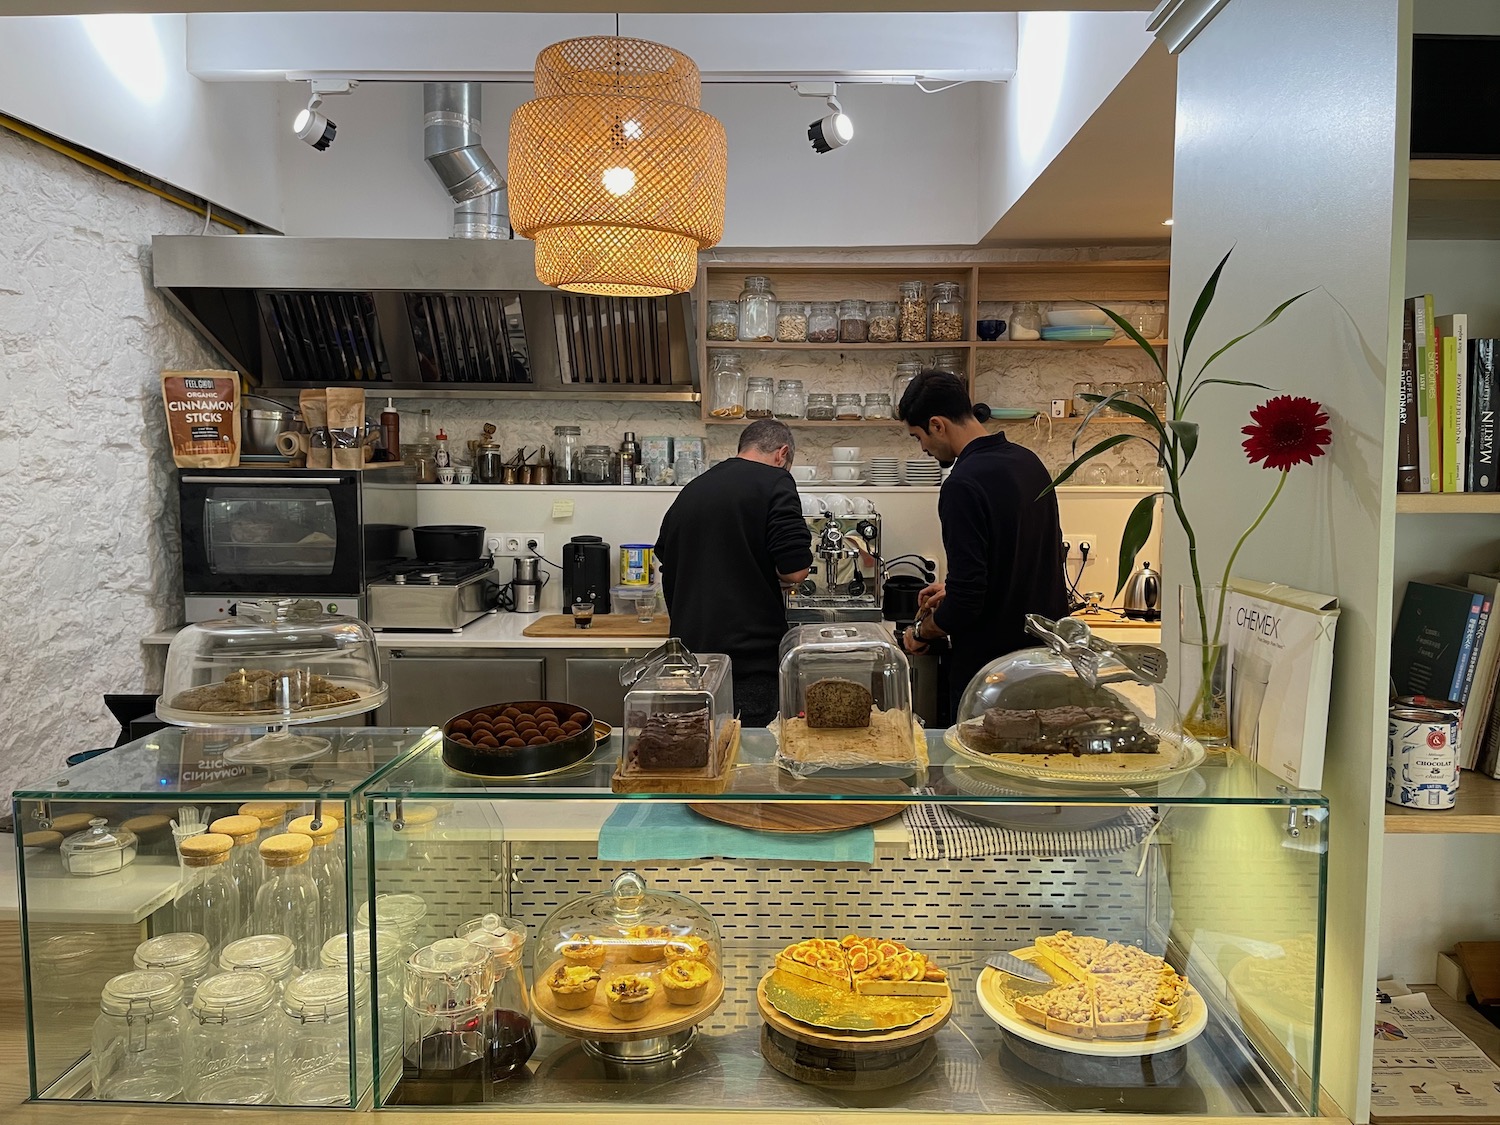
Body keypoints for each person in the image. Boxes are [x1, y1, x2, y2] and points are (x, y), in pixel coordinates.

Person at [895, 371, 1068, 715]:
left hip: (993, 677)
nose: (924, 449)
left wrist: (921, 631)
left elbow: (967, 603)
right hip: (1045, 662)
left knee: (976, 767)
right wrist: (954, 587)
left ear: (937, 425)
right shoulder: (1028, 462)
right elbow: (1020, 560)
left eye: (918, 438)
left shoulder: (962, 485)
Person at [655, 419, 813, 726]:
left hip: (692, 661)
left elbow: (666, 554)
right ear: (781, 454)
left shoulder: (694, 488)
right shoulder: (775, 481)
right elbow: (795, 570)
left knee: (702, 756)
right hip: (748, 663)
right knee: (748, 761)